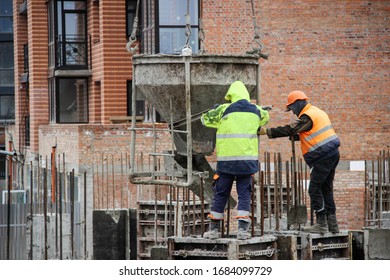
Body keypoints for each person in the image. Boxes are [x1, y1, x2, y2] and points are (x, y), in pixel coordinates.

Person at [259, 90, 341, 234]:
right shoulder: (317, 112)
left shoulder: (307, 116)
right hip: (332, 153)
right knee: (326, 189)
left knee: (314, 189)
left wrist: (267, 132)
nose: (293, 113)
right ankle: (333, 226)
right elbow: (314, 132)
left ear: (297, 104)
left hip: (322, 157)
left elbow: (291, 129)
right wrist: (298, 137)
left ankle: (321, 224)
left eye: (291, 109)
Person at [201, 81, 270, 239]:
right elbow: (266, 118)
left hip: (226, 163)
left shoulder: (223, 110)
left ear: (231, 96)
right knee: (244, 195)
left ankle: (213, 231)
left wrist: (214, 110)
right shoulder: (257, 111)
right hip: (247, 163)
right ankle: (242, 231)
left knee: (220, 194)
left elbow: (204, 120)